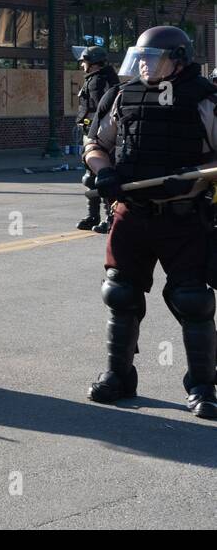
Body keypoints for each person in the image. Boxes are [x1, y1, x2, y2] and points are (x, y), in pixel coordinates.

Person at [83, 26, 217, 420]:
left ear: (178, 59)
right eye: (139, 57)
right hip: (131, 214)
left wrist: (196, 173)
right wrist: (102, 171)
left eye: (151, 57)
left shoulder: (203, 98)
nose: (142, 63)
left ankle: (203, 386)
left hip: (183, 216)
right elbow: (96, 144)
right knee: (120, 293)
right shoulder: (123, 95)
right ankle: (118, 375)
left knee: (192, 300)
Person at [74, 44, 120, 232]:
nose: (82, 65)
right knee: (92, 177)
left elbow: (101, 111)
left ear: (92, 63)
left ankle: (109, 218)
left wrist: (91, 130)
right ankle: (94, 216)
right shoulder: (103, 78)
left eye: (84, 61)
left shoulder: (99, 81)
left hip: (99, 136)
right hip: (95, 133)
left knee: (100, 176)